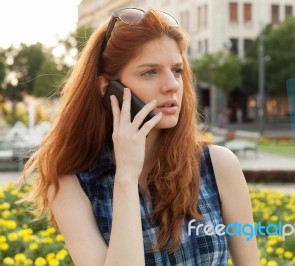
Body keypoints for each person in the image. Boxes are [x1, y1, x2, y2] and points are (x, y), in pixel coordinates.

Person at [19, 7, 259, 265]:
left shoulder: (218, 166)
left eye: (177, 70)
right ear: (108, 89)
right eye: (149, 72)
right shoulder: (70, 185)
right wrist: (126, 176)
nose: (173, 85)